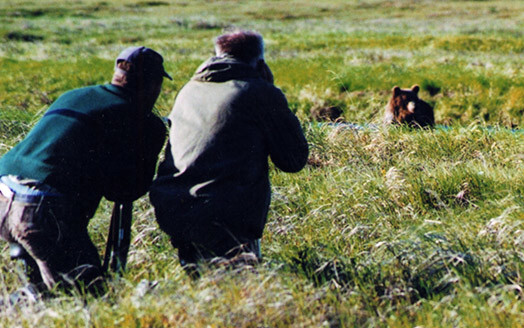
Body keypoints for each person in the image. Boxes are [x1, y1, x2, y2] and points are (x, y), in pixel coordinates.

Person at [0, 46, 170, 295]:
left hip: (4, 195)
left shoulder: (74, 95)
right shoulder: (143, 121)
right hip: (37, 206)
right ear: (153, 84)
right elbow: (126, 191)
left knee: (49, 293)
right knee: (89, 295)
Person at [150, 30, 308, 270]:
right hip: (226, 217)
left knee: (200, 285)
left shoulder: (188, 91)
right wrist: (272, 94)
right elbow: (293, 160)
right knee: (238, 291)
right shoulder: (259, 91)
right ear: (260, 62)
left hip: (173, 208)